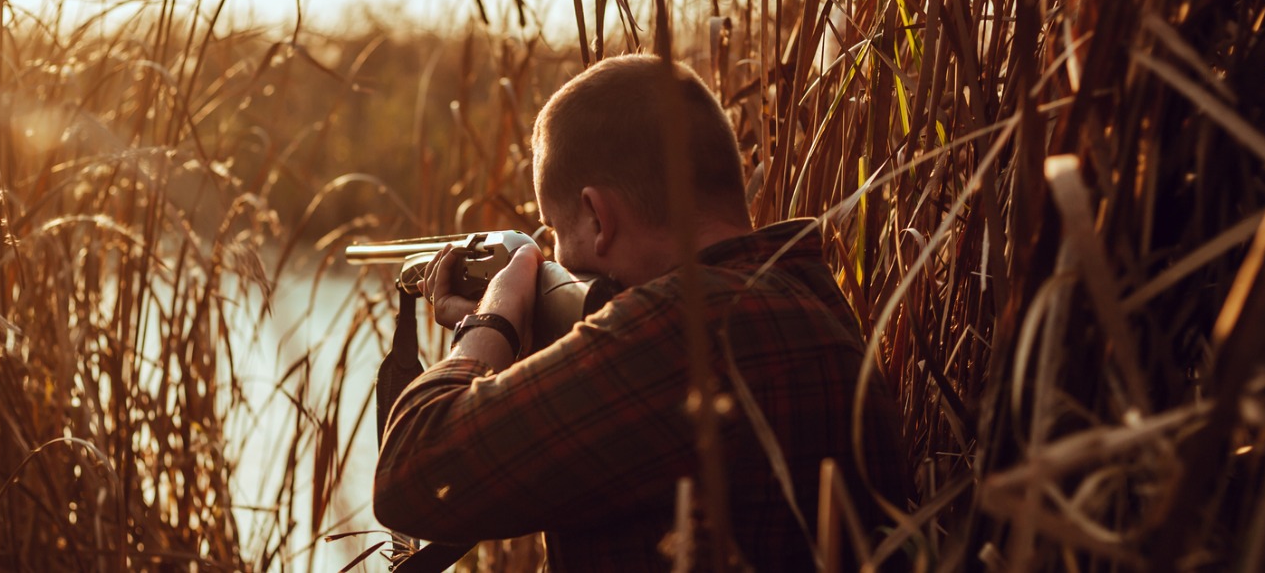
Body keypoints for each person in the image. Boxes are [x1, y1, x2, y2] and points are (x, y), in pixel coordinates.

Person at [373, 54, 909, 570]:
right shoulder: (812, 298)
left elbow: (410, 478)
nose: (558, 257)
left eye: (557, 234)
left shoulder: (679, 329)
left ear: (597, 217)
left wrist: (491, 322)